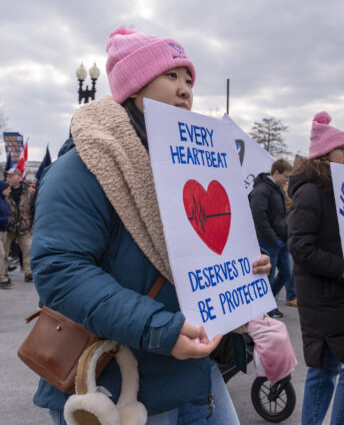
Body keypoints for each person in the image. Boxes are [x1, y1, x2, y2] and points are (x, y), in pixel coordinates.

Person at [31, 26, 271, 424]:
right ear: (135, 89)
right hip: (120, 386)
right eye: (171, 76)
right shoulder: (83, 166)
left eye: (189, 79)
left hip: (197, 374)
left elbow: (204, 248)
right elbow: (61, 269)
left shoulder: (189, 164)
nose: (185, 90)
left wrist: (245, 265)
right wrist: (158, 328)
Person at [287, 111, 344, 425]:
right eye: (343, 149)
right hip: (326, 295)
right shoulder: (310, 192)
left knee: (326, 369)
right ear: (325, 154)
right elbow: (300, 246)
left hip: (338, 295)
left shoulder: (336, 189)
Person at [249, 158, 295, 318]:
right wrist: (272, 238)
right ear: (276, 172)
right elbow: (258, 216)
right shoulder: (262, 189)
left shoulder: (277, 189)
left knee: (286, 274)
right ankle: (265, 314)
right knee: (267, 278)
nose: (287, 180)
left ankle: (269, 305)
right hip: (268, 241)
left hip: (281, 240)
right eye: (286, 176)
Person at [5, 165, 35, 282]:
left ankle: (29, 273)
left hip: (25, 226)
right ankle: (3, 274)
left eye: (11, 176)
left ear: (19, 177)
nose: (8, 178)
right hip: (8, 227)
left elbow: (35, 206)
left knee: (29, 250)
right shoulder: (4, 190)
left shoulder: (29, 191)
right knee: (3, 251)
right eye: (7, 176)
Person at [0, 181, 10, 288]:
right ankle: (1, 279)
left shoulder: (3, 200)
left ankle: (3, 275)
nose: (9, 190)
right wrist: (5, 219)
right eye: (7, 188)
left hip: (3, 231)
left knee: (4, 254)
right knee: (1, 254)